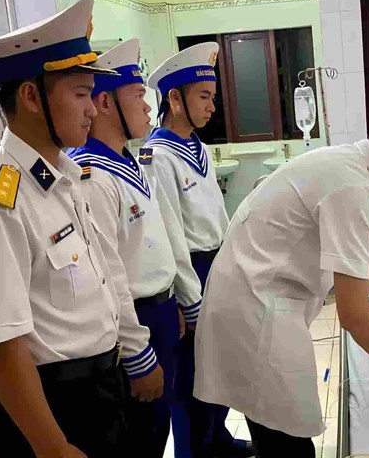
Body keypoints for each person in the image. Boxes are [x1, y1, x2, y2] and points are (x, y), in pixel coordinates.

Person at [194, 87, 369, 457]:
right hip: (257, 315)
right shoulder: (352, 186)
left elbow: (362, 257)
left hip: (249, 303)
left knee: (276, 437)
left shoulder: (346, 166)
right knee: (288, 446)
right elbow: (354, 316)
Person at [0, 0, 163, 458]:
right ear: (30, 96)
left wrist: (133, 353)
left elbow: (106, 276)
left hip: (104, 390)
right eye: (81, 94)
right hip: (54, 408)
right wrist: (51, 446)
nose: (92, 109)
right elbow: (1, 346)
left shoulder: (65, 176)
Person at [66, 38, 203, 456]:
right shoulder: (92, 176)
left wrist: (173, 303)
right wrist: (139, 355)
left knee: (158, 426)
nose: (148, 106)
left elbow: (153, 243)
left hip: (157, 313)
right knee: (139, 436)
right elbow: (108, 277)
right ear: (105, 103)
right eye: (138, 95)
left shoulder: (129, 163)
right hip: (131, 325)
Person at [143, 42, 253, 457]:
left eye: (213, 98)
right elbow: (170, 236)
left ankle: (218, 440)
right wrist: (190, 299)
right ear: (174, 98)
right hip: (190, 272)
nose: (211, 108)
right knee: (190, 381)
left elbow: (215, 220)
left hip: (216, 267)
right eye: (203, 97)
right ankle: (195, 450)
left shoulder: (199, 149)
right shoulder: (157, 157)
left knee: (219, 370)